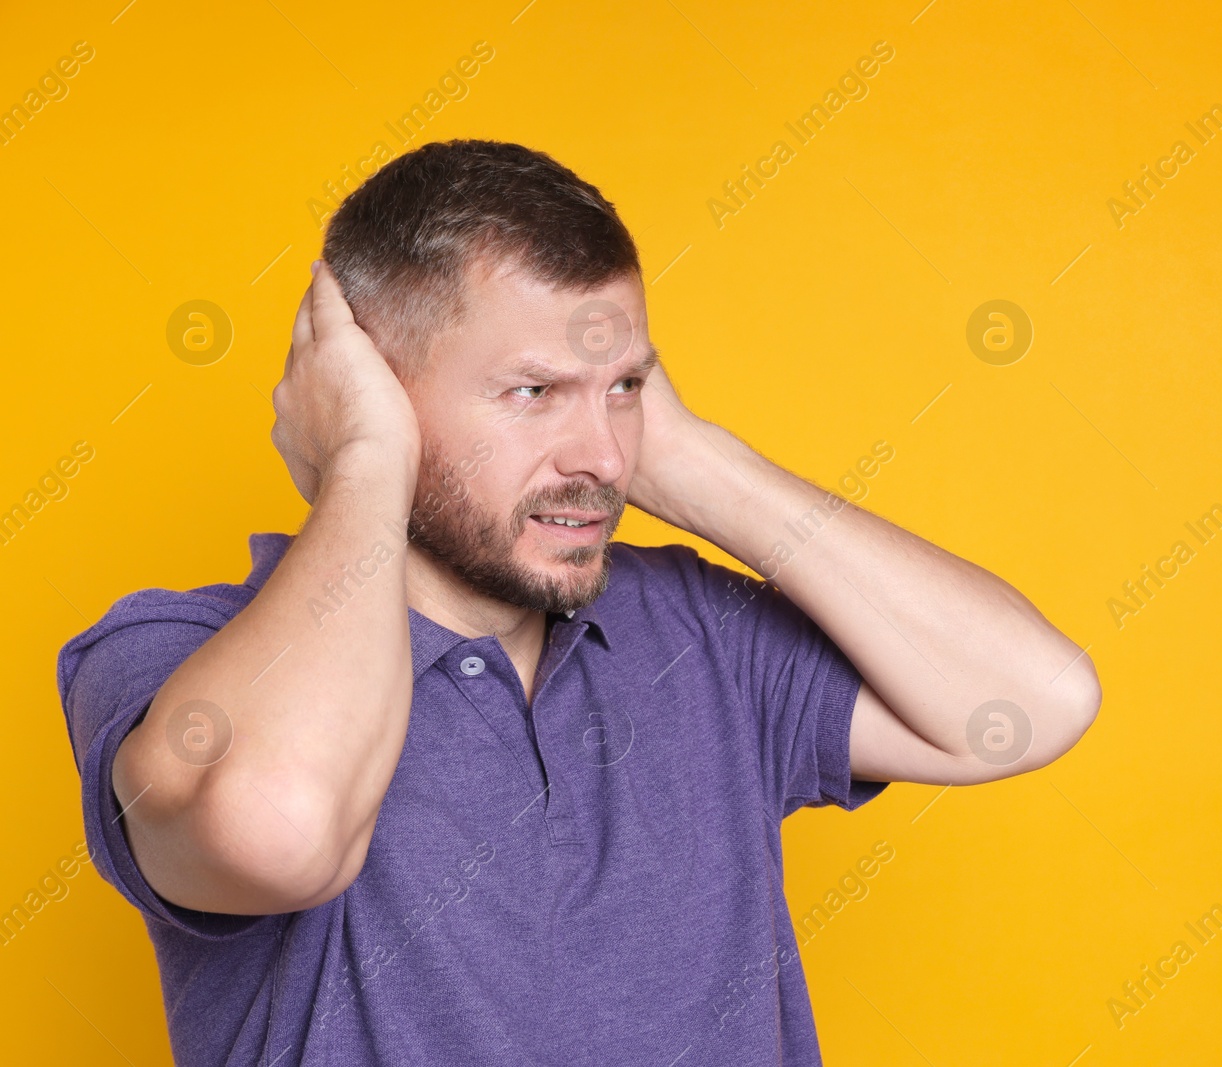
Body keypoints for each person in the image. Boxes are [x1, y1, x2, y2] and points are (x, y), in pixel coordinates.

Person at [57, 139, 1101, 1066]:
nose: (598, 456)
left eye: (624, 388)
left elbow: (1033, 699)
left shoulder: (695, 633)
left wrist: (685, 459)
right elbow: (277, 830)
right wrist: (365, 462)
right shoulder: (176, 657)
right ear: (367, 381)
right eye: (533, 391)